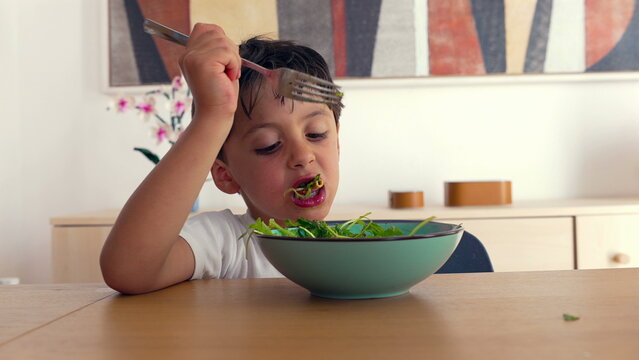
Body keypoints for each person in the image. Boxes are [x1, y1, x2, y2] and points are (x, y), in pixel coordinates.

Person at [100, 23, 344, 294]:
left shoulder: (358, 244)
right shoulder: (227, 242)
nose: (302, 156)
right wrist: (213, 114)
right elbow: (130, 270)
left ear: (338, 144)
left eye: (316, 134)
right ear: (226, 175)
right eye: (269, 145)